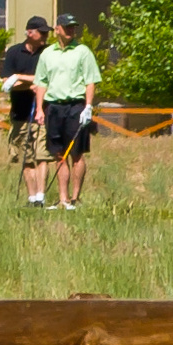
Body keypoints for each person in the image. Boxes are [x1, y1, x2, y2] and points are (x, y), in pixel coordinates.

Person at [33, 15, 104, 208]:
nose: (71, 30)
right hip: (54, 107)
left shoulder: (83, 52)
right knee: (58, 154)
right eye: (67, 27)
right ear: (57, 29)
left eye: (73, 27)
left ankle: (75, 197)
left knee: (77, 153)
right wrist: (39, 109)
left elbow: (90, 81)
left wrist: (88, 106)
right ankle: (63, 199)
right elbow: (41, 82)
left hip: (75, 106)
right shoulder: (48, 53)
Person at [1, 17, 50, 205]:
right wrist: (31, 84)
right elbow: (7, 83)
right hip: (19, 113)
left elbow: (46, 79)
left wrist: (21, 78)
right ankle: (31, 197)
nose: (46, 36)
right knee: (26, 156)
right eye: (42, 32)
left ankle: (41, 196)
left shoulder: (47, 53)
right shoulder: (14, 52)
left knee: (42, 155)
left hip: (42, 113)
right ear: (30, 33)